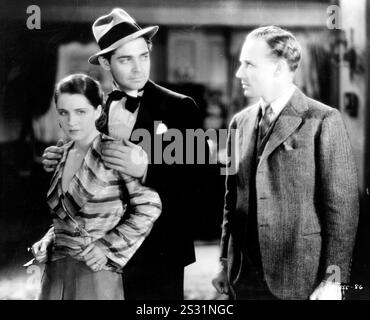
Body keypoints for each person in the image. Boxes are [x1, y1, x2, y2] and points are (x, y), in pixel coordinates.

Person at [41, 8, 207, 299]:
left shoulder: (181, 107)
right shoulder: (96, 111)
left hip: (159, 252)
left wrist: (147, 169)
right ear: (105, 62)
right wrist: (65, 160)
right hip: (99, 253)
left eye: (143, 56)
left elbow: (203, 182)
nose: (138, 68)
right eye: (125, 59)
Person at [212, 26, 359, 300]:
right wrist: (224, 263)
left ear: (278, 69)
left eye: (248, 65)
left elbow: (342, 210)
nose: (239, 73)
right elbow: (230, 201)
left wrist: (333, 280)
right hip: (244, 276)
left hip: (299, 276)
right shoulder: (238, 123)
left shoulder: (323, 120)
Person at [32, 74, 162, 300]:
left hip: (96, 273)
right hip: (55, 272)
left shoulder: (115, 151)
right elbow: (69, 218)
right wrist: (48, 239)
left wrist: (106, 247)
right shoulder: (60, 155)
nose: (71, 121)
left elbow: (150, 205)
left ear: (99, 111)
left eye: (80, 112)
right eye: (63, 112)